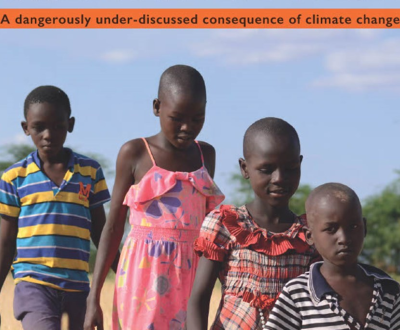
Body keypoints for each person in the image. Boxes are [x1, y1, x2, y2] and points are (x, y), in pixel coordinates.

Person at [84, 64, 225, 330]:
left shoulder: (206, 155)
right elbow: (113, 226)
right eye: (177, 117)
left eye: (198, 118)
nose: (188, 127)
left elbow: (210, 233)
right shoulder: (135, 152)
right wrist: (94, 297)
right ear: (157, 107)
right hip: (142, 277)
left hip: (191, 278)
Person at [187, 117, 320, 330]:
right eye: (267, 169)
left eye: (290, 168)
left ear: (300, 164)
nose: (279, 178)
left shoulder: (309, 235)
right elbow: (199, 299)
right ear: (245, 168)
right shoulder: (226, 224)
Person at [0, 85, 115, 330]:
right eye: (39, 127)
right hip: (33, 284)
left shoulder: (90, 172)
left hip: (78, 287)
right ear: (25, 128)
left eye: (57, 126)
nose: (48, 134)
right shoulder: (14, 178)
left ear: (70, 124)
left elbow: (102, 232)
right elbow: (6, 242)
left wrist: (125, 276)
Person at [265, 183, 400, 330]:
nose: (344, 238)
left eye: (353, 227)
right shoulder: (298, 293)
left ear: (365, 228)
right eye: (331, 229)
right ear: (310, 236)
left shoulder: (388, 290)